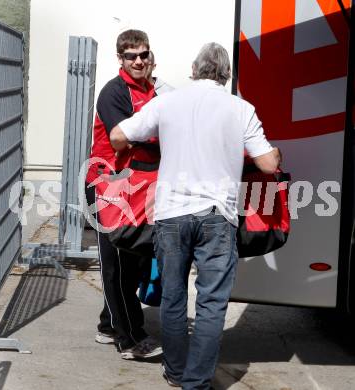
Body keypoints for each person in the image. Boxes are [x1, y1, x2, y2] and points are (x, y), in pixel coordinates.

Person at [110, 43, 281, 388]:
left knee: (173, 298)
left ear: (193, 69)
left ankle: (175, 372)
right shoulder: (240, 108)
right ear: (227, 73)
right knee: (212, 303)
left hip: (171, 214)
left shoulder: (167, 102)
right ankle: (197, 382)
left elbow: (117, 136)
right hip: (218, 216)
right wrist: (276, 153)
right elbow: (267, 164)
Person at [85, 29, 162, 359]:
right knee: (116, 266)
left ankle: (107, 324)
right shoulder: (114, 92)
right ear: (121, 59)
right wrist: (160, 134)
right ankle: (129, 337)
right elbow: (123, 138)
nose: (139, 60)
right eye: (132, 56)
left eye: (143, 54)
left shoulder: (152, 91)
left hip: (138, 188)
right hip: (108, 186)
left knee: (133, 263)